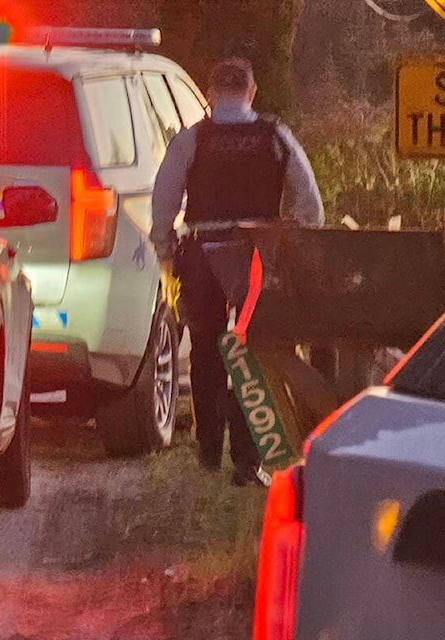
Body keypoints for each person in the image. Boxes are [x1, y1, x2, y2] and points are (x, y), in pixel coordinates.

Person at [150, 56, 324, 486]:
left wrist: (166, 248)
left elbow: (163, 203)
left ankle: (209, 452)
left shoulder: (192, 140)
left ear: (209, 95)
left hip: (203, 257)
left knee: (207, 352)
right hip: (258, 259)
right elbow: (311, 207)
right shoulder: (275, 135)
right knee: (255, 353)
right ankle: (248, 461)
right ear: (252, 93)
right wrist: (292, 245)